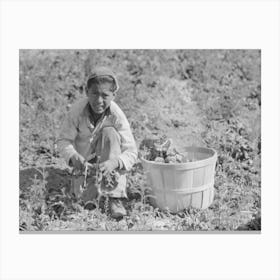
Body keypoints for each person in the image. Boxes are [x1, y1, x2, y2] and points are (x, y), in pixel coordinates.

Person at [57, 67, 138, 218]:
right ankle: (90, 197)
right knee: (84, 204)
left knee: (110, 132)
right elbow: (63, 140)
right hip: (85, 165)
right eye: (94, 93)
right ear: (87, 91)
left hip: (109, 166)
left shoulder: (116, 114)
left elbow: (132, 151)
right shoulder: (77, 111)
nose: (99, 100)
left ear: (113, 95)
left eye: (105, 95)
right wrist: (73, 156)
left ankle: (114, 197)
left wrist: (115, 162)